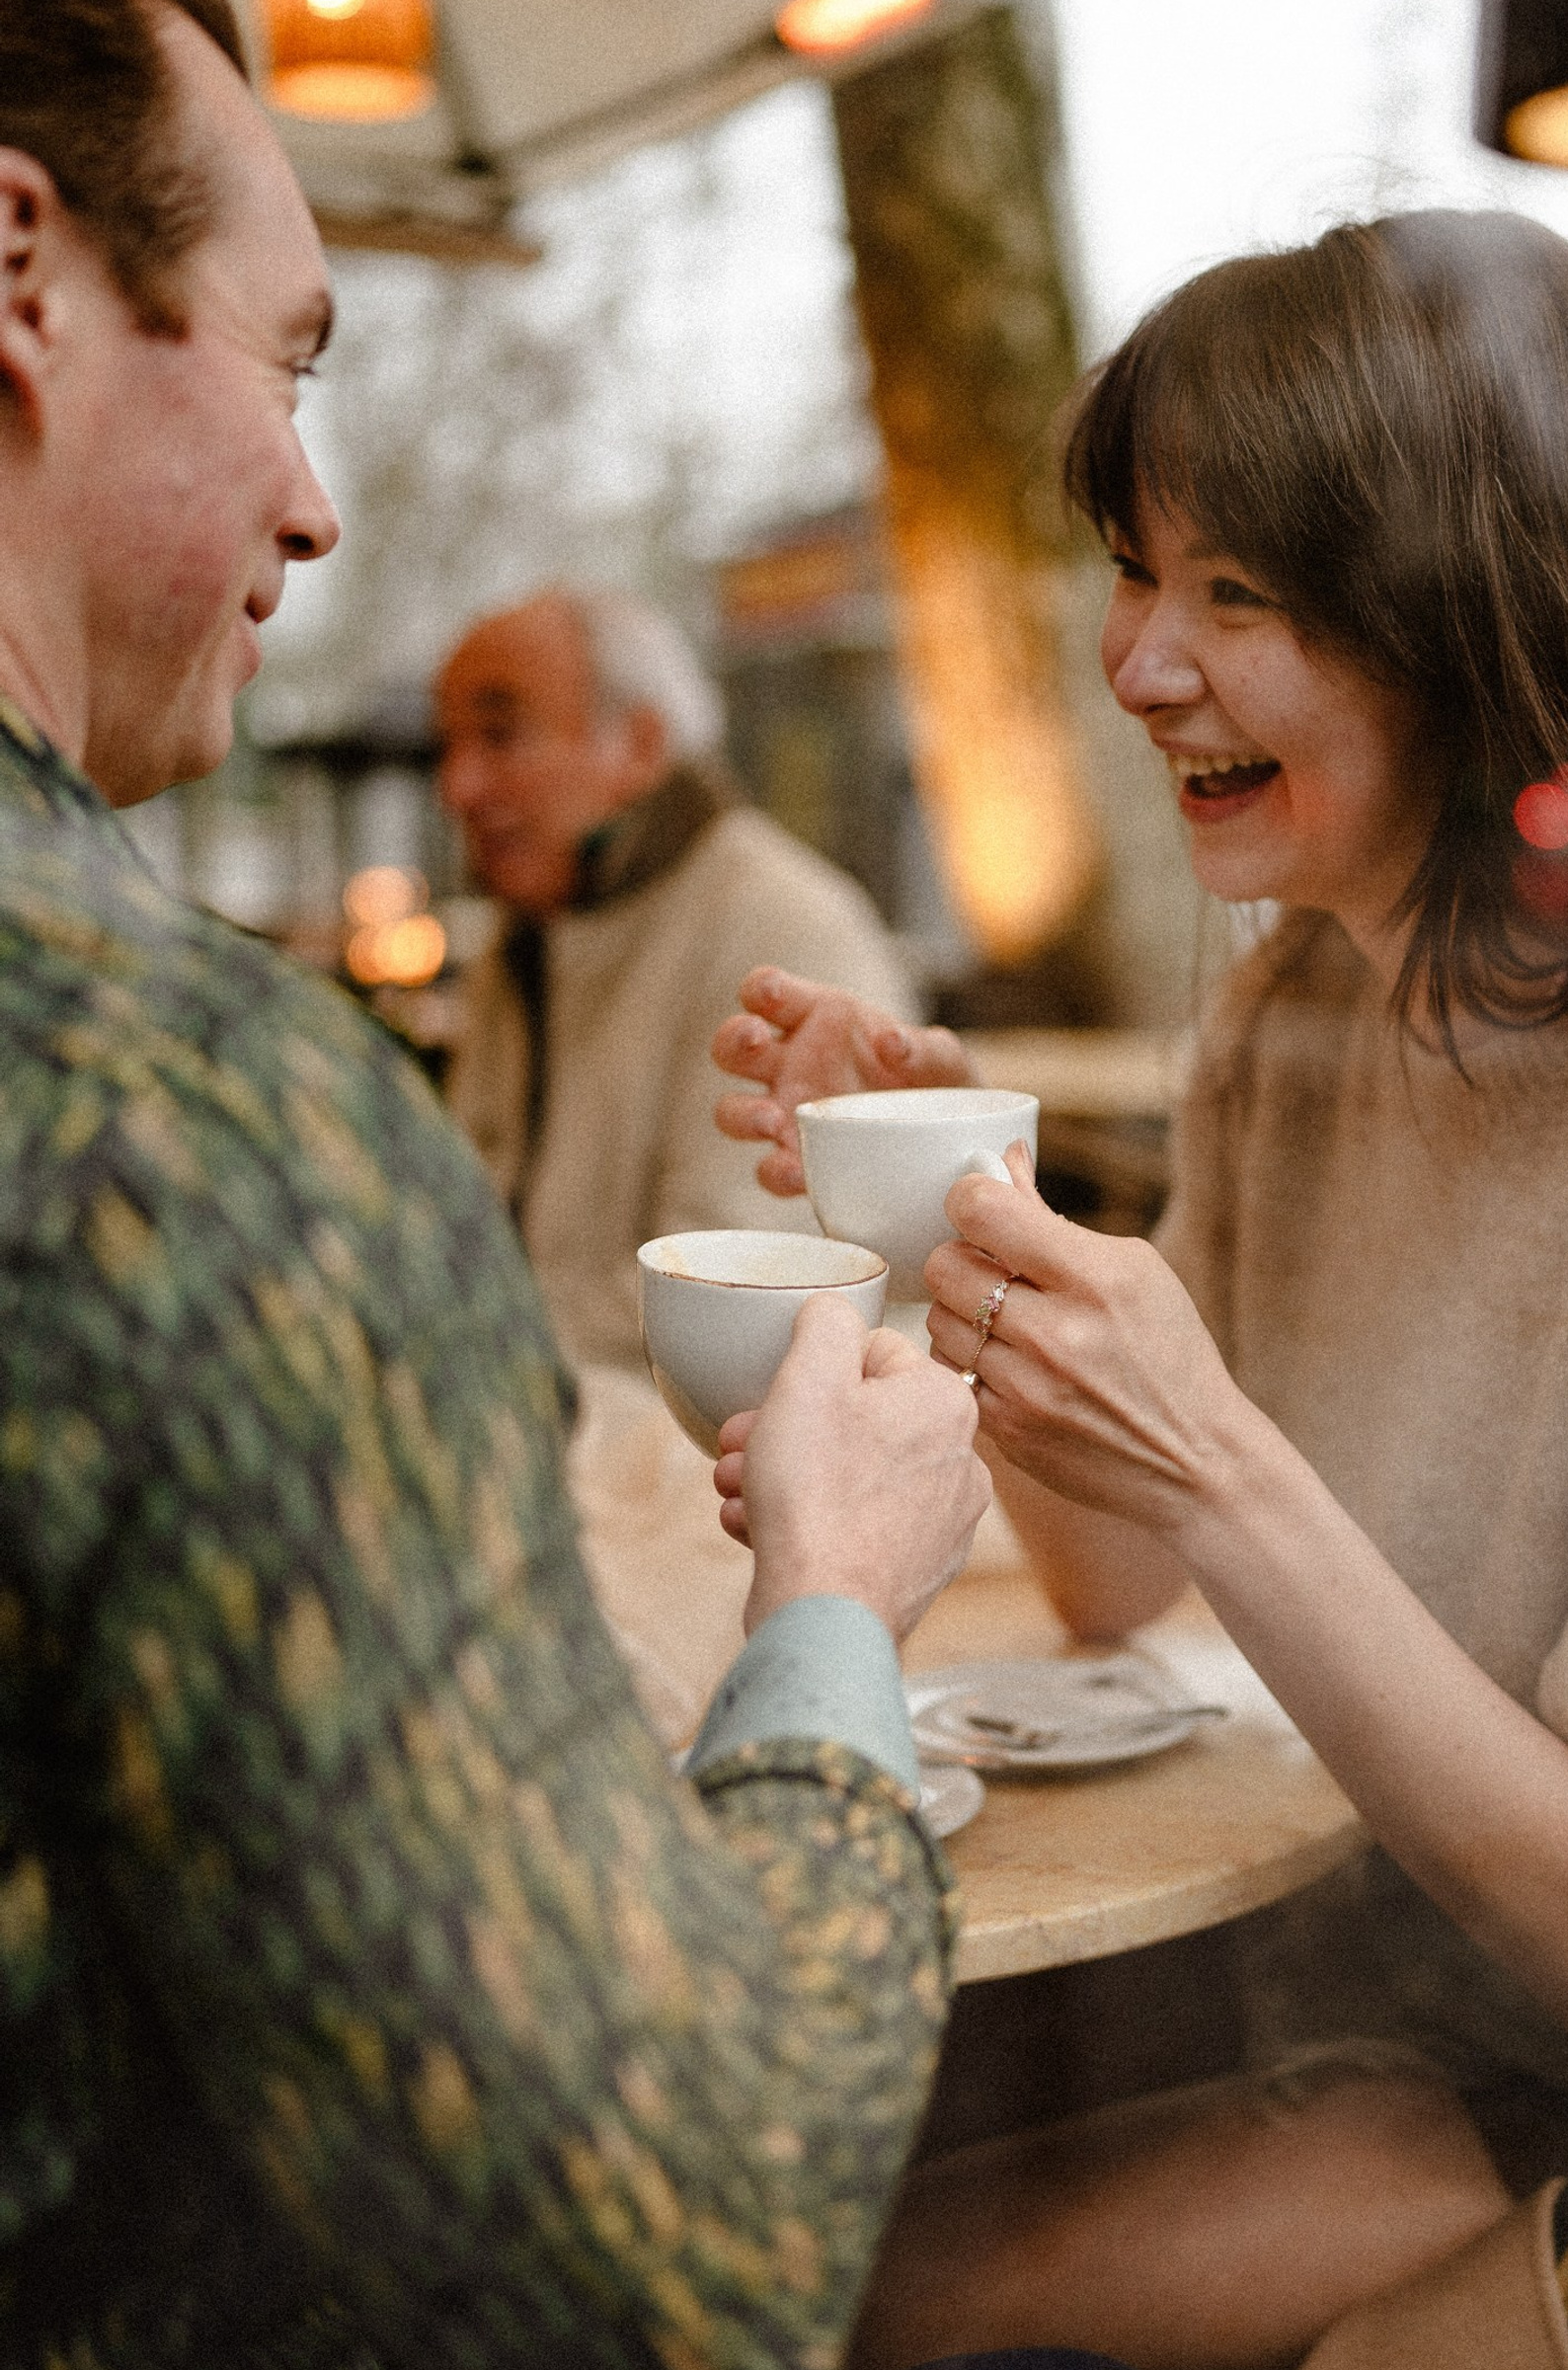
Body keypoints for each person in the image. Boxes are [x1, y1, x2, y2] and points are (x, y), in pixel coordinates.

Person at [712, 210, 1568, 2365]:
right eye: (1140, 572)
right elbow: (1108, 1582)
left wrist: (1221, 1453)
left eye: (1239, 593)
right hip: (1394, 2011)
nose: (1143, 661)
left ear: (1480, 620)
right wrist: (956, 1213)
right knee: (722, 2178)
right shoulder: (1308, 1019)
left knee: (827, 2294)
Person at [0, 7, 992, 2365]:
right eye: (292, 357)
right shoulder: (181, 1109)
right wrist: (835, 1600)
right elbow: (692, 2255)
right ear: (20, 274)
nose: (317, 503)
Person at [436, 588, 915, 1372]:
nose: (459, 787)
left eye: (500, 736)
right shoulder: (526, 936)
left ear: (642, 744)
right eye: (447, 746)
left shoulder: (781, 934)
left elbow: (737, 1297)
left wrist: (438, 1346)